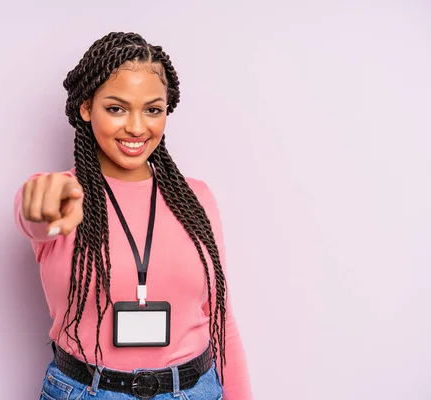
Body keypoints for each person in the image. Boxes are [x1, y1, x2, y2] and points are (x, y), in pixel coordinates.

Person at [14, 31, 252, 400]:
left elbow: (220, 315)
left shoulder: (196, 198)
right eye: (116, 108)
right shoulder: (62, 195)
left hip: (194, 391)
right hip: (87, 391)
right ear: (86, 108)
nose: (138, 127)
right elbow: (33, 215)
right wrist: (38, 208)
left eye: (152, 110)